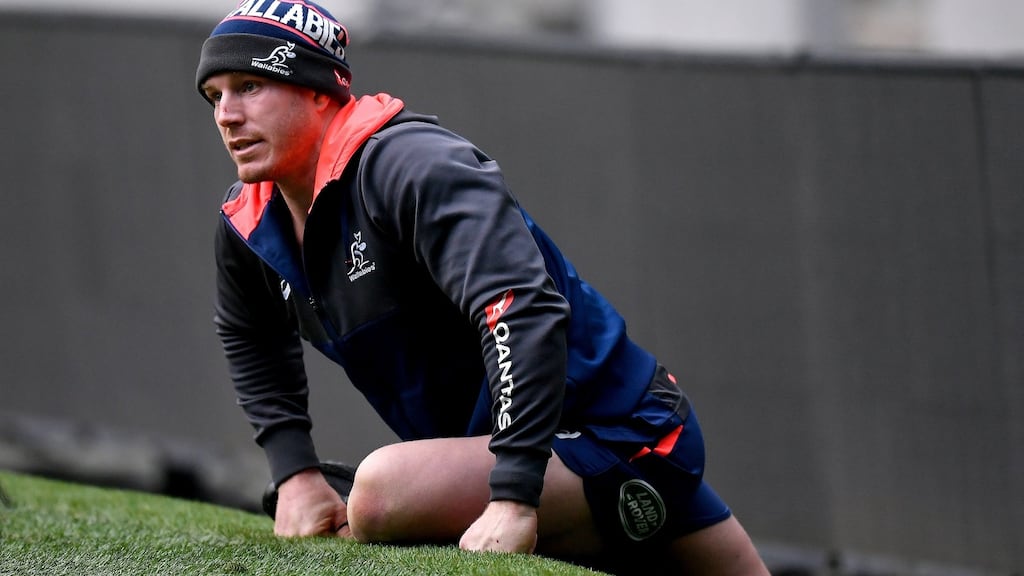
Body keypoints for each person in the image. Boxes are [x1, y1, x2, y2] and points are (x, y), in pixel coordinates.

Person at [195, 2, 770, 574]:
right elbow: (248, 332)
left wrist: (514, 495)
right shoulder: (250, 221)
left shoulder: (410, 166)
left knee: (379, 493)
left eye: (249, 85)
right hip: (511, 447)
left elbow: (521, 308)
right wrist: (294, 473)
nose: (227, 114)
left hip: (623, 436)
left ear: (319, 89)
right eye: (215, 95)